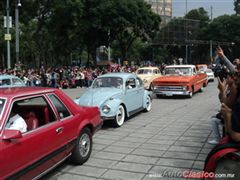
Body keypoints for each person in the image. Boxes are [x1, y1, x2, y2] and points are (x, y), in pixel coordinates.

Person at [208, 73, 237, 144]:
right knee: (215, 117)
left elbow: (226, 103)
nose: (226, 80)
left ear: (233, 79)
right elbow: (221, 100)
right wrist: (222, 90)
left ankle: (218, 139)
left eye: (228, 78)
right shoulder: (229, 87)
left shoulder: (234, 88)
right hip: (229, 114)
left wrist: (222, 90)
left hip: (233, 117)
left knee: (214, 119)